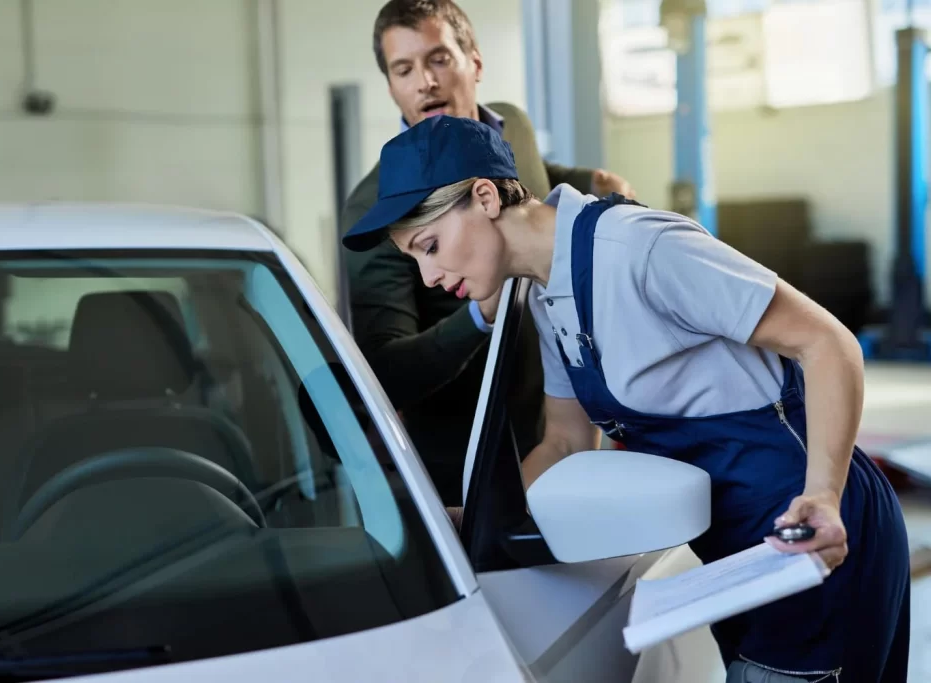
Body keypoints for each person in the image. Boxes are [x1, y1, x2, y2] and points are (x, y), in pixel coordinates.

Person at [341, 114, 911, 682]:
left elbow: (828, 343)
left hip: (815, 536)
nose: (429, 276)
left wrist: (823, 496)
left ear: (485, 196)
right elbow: (565, 442)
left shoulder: (640, 249)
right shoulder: (544, 295)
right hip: (742, 561)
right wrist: (481, 520)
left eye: (430, 246)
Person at [341, 0, 635, 506]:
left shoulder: (512, 127)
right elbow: (386, 372)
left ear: (474, 62)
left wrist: (591, 182)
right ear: (391, 87)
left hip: (564, 419)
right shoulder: (375, 210)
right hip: (471, 465)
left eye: (438, 59)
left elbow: (533, 178)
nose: (425, 83)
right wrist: (481, 315)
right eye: (403, 69)